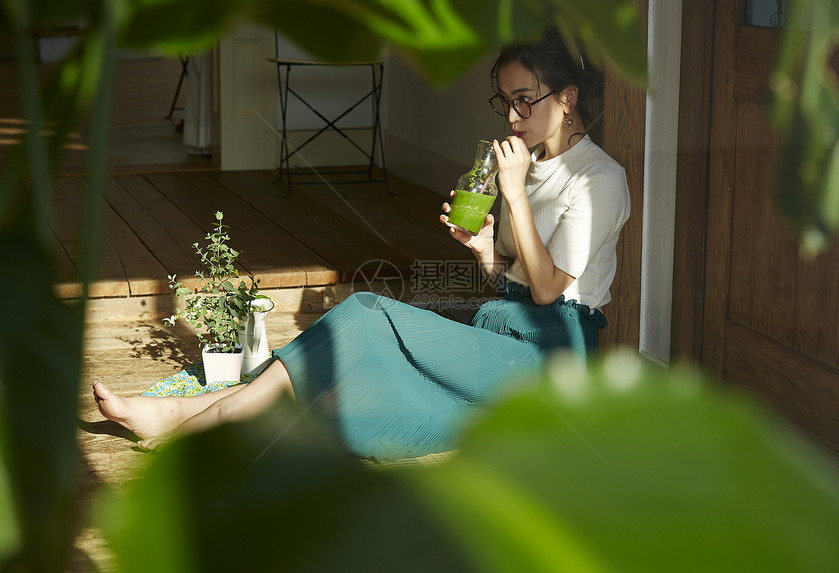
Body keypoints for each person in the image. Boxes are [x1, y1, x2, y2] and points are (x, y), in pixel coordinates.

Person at [93, 28, 630, 461]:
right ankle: (200, 416)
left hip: (551, 363)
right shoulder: (529, 167)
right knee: (364, 386)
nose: (512, 119)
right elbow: (510, 283)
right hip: (501, 342)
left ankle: (200, 421)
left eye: (523, 102)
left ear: (568, 97)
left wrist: (512, 198)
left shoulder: (598, 179)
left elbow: (546, 294)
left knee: (365, 314)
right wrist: (486, 248)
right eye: (505, 102)